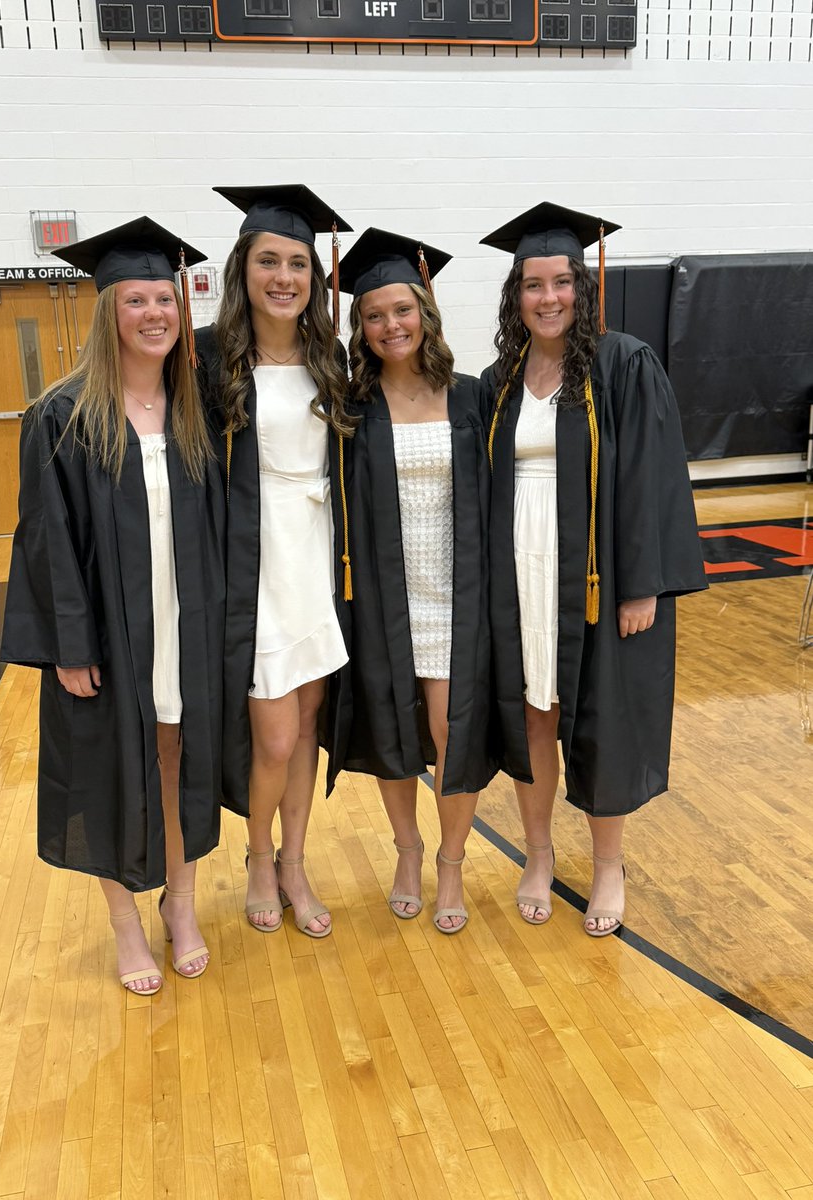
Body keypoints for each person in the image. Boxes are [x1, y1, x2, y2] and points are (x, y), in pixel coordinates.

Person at [1, 217, 225, 992]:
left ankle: (182, 905)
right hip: (107, 635)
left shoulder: (195, 416)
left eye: (165, 298)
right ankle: (125, 920)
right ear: (108, 313)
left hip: (183, 625)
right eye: (136, 300)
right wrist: (70, 646)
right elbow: (46, 544)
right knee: (107, 770)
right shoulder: (61, 419)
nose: (155, 314)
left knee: (179, 762)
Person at [479, 202, 707, 936]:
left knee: (601, 718)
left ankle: (608, 866)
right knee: (532, 716)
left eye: (559, 282)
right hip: (521, 568)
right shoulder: (501, 378)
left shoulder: (623, 362)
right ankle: (538, 854)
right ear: (515, 296)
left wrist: (642, 582)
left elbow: (651, 475)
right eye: (532, 284)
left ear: (583, 286)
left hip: (599, 574)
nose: (547, 298)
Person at [195, 185, 357, 938]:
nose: (285, 276)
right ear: (245, 268)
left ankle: (296, 862)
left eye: (298, 262)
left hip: (317, 551)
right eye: (269, 261)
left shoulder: (332, 358)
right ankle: (258, 858)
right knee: (276, 734)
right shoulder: (209, 357)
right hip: (255, 559)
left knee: (311, 721)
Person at [334, 228, 497, 934]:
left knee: (451, 732)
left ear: (425, 311)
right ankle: (407, 852)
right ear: (360, 328)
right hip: (384, 598)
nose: (389, 326)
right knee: (394, 734)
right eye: (374, 316)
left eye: (401, 310)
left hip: (458, 599)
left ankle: (452, 863)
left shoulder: (472, 398)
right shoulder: (350, 407)